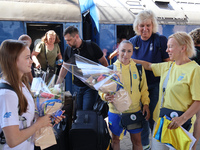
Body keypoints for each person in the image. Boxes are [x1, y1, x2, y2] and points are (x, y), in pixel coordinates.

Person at [134, 32, 200, 150]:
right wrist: (127, 58)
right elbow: (148, 66)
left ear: (182, 48)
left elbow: (198, 101)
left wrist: (182, 119)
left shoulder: (195, 70)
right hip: (161, 123)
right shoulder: (168, 66)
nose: (167, 50)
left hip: (182, 126)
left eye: (170, 46)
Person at [0, 40, 64, 150]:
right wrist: (38, 124)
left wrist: (46, 119)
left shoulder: (21, 85)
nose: (31, 61)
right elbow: (12, 140)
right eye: (27, 58)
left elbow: (23, 118)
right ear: (13, 60)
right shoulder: (7, 94)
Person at [99, 40, 150, 150]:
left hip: (134, 110)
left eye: (129, 51)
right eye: (123, 50)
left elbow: (144, 89)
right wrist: (105, 96)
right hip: (116, 111)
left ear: (132, 52)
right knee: (115, 140)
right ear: (117, 51)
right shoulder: (110, 69)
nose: (125, 54)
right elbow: (101, 90)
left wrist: (146, 104)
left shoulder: (139, 68)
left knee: (137, 141)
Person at [56, 26, 108, 110]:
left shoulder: (91, 46)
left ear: (76, 36)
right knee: (77, 112)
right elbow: (65, 67)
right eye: (66, 40)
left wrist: (104, 81)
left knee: (86, 112)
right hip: (76, 86)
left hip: (90, 87)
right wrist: (57, 84)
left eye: (69, 40)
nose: (67, 43)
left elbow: (104, 63)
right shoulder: (68, 50)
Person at [189, 28, 200, 150]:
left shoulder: (192, 53)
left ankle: (191, 144)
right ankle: (195, 145)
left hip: (192, 87)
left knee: (191, 116)